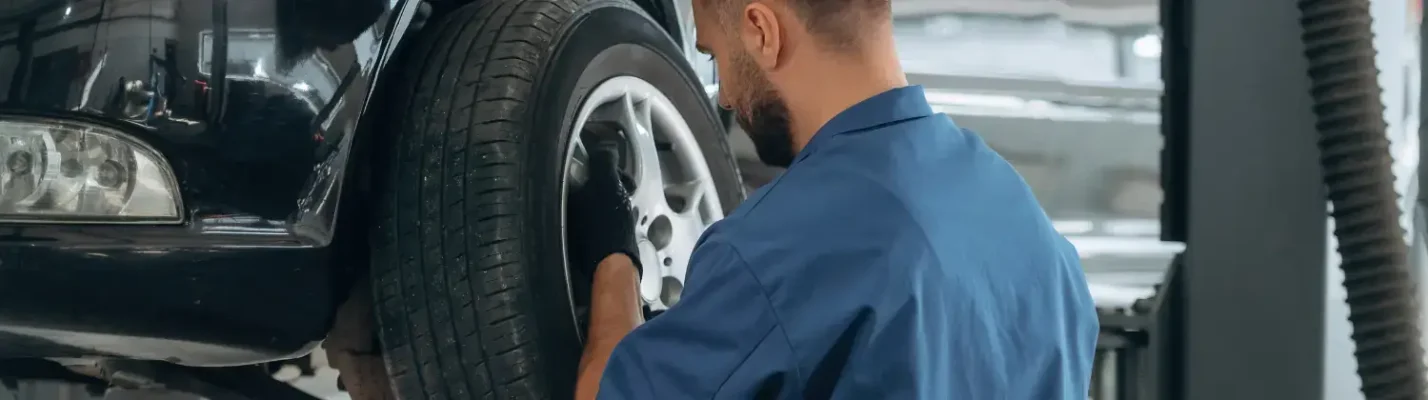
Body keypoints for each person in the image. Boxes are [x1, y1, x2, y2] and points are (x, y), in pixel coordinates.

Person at [567, 0, 1099, 398]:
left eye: (715, 56)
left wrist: (614, 259)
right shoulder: (1035, 236)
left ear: (762, 30)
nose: (724, 96)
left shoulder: (772, 251)